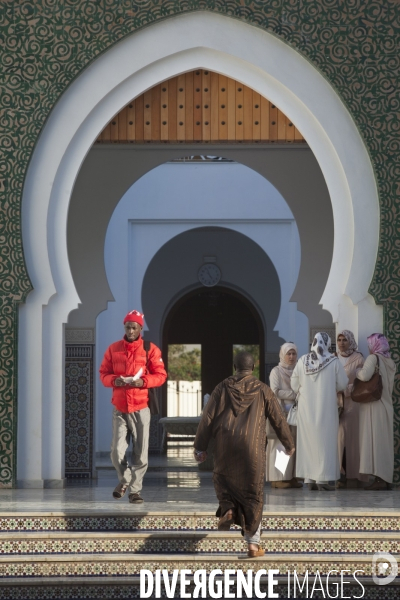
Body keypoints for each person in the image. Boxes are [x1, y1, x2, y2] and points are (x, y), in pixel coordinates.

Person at [193, 351, 295, 557]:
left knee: (224, 482)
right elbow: (278, 419)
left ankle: (228, 508)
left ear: (234, 366)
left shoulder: (221, 388)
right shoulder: (263, 390)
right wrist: (289, 443)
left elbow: (207, 418)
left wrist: (199, 447)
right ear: (254, 366)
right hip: (252, 448)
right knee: (253, 495)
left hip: (225, 446)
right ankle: (253, 546)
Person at [99, 309, 167, 503]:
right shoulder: (113, 349)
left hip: (140, 407)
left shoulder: (150, 349)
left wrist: (143, 381)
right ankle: (125, 479)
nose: (130, 331)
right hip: (120, 408)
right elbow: (103, 373)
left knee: (141, 453)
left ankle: (134, 491)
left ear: (140, 328)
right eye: (127, 327)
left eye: (133, 327)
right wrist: (114, 380)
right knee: (116, 451)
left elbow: (161, 375)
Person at [291, 332, 348, 491]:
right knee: (325, 443)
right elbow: (343, 384)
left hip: (306, 410)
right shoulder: (334, 361)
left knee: (308, 443)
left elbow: (294, 385)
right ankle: (322, 481)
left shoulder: (303, 361)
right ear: (328, 343)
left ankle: (309, 478)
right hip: (326, 409)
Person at [356, 333, 396, 490]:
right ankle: (385, 478)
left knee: (376, 442)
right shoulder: (390, 361)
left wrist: (357, 371)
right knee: (384, 443)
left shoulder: (373, 358)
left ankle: (379, 479)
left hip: (374, 406)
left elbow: (365, 375)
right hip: (386, 406)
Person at [266, 342, 302, 489]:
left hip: (295, 414)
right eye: (289, 354)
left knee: (294, 444)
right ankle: (278, 479)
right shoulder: (276, 371)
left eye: (294, 353)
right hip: (280, 414)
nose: (291, 357)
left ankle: (291, 477)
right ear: (283, 354)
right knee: (281, 445)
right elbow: (274, 391)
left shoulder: (299, 370)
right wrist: (294, 394)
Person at [336, 330, 368, 487]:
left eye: (344, 340)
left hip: (353, 404)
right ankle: (339, 475)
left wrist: (345, 389)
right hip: (337, 404)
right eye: (339, 339)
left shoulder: (358, 358)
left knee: (353, 441)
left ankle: (353, 477)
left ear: (351, 341)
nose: (341, 343)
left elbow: (361, 382)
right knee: (338, 439)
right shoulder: (333, 358)